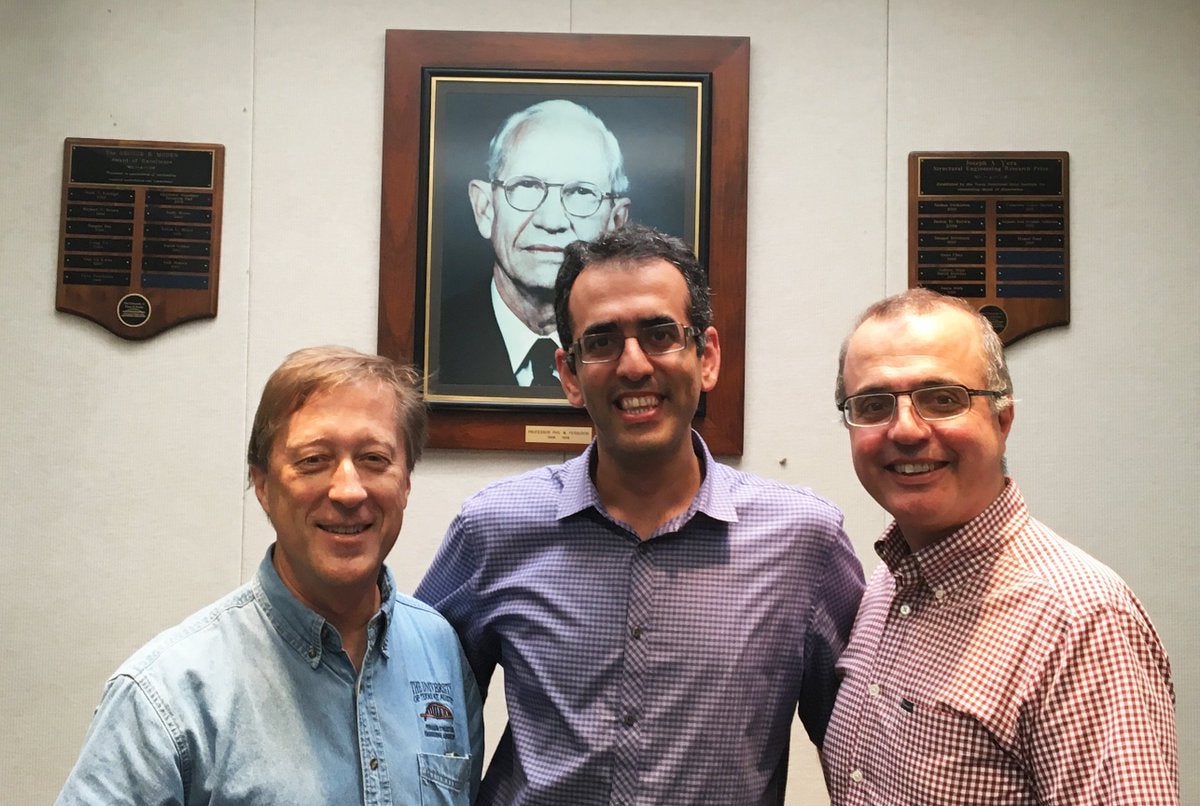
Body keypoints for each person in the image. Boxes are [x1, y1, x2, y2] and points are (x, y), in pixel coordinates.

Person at [417, 224, 865, 804]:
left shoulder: (804, 541)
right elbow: (416, 706)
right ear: (569, 375)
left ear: (707, 357)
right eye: (602, 341)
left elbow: (861, 751)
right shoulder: (493, 528)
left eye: (660, 335)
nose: (633, 365)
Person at [57, 346, 483, 805]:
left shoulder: (441, 653)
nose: (348, 490)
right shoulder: (165, 696)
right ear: (262, 485)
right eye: (314, 460)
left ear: (406, 482)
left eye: (374, 459)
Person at [823, 289, 1178, 804]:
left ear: (1002, 419)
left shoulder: (1081, 624)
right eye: (874, 405)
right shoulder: (885, 590)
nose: (905, 429)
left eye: (942, 398)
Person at [438, 99, 632, 389]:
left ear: (615, 223)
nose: (551, 221)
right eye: (526, 186)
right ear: (485, 209)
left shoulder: (640, 357)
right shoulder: (436, 338)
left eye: (581, 192)